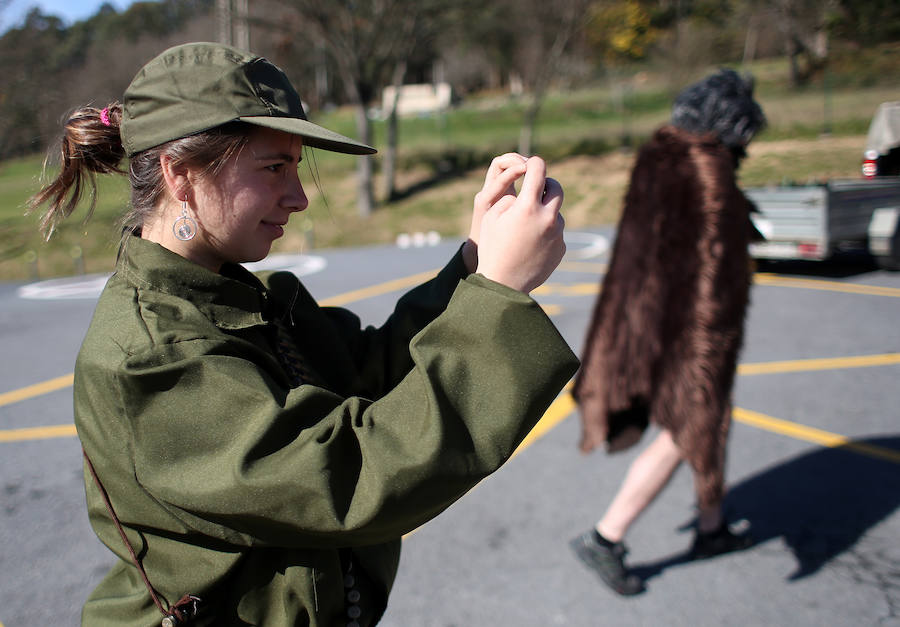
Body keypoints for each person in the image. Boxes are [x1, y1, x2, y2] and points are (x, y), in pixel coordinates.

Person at [29, 42, 579, 626]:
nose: (298, 196)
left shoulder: (227, 295)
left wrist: (473, 264)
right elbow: (350, 475)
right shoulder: (148, 358)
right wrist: (500, 295)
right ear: (180, 173)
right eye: (273, 168)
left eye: (297, 166)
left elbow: (370, 373)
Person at [568, 69, 767, 596]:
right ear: (732, 125)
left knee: (713, 420)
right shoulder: (708, 170)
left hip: (645, 316)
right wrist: (704, 360)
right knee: (688, 426)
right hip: (690, 329)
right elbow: (706, 277)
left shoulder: (662, 156)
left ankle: (711, 526)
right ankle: (605, 537)